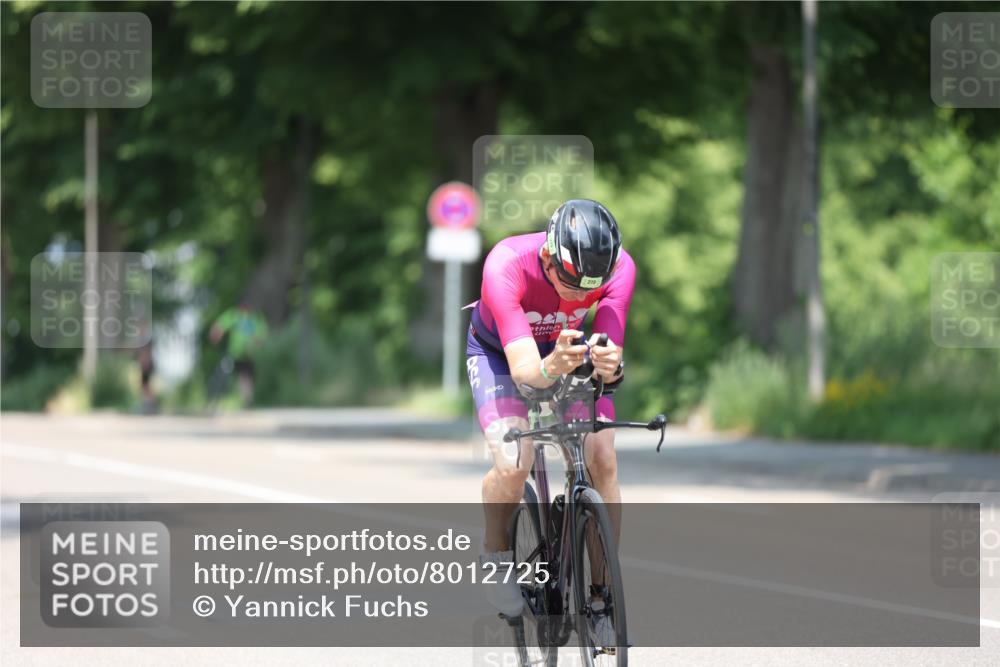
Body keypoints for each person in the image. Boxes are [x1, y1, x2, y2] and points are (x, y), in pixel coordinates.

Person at [467, 199, 634, 617]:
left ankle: (601, 594)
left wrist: (610, 366)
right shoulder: (506, 264)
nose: (581, 297)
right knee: (513, 464)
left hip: (567, 351)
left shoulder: (619, 268)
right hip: (500, 356)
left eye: (590, 290)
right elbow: (527, 374)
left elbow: (609, 362)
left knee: (602, 457)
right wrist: (551, 365)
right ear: (548, 257)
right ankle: (495, 555)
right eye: (572, 285)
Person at [209, 301, 269, 406]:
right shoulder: (235, 315)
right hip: (235, 354)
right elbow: (220, 325)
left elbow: (263, 335)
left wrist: (257, 342)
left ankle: (247, 401)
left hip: (250, 355)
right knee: (231, 375)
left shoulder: (256, 317)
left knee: (247, 377)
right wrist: (216, 333)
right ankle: (216, 399)